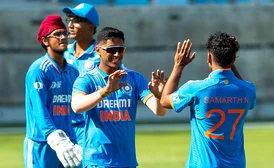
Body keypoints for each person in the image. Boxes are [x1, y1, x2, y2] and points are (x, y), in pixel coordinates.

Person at [71, 27, 168, 167]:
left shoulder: (134, 78)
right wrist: (105, 91)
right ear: (98, 50)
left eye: (120, 49)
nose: (116, 54)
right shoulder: (86, 79)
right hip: (97, 161)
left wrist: (159, 97)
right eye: (111, 50)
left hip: (126, 161)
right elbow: (76, 106)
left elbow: (160, 112)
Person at [160, 32, 256, 168]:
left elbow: (164, 100)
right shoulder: (248, 89)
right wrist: (228, 59)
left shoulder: (195, 89)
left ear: (209, 57)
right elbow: (243, 89)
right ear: (234, 59)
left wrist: (178, 66)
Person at [23, 14, 82, 168]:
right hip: (42, 143)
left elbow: (77, 110)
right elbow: (39, 109)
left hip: (68, 144)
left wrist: (81, 137)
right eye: (57, 34)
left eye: (64, 33)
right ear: (45, 40)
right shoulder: (38, 70)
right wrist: (55, 137)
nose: (63, 37)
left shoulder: (73, 72)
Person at [62, 3, 100, 147]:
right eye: (69, 20)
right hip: (62, 128)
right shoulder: (62, 53)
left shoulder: (103, 56)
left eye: (76, 20)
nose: (70, 25)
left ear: (90, 26)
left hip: (91, 128)